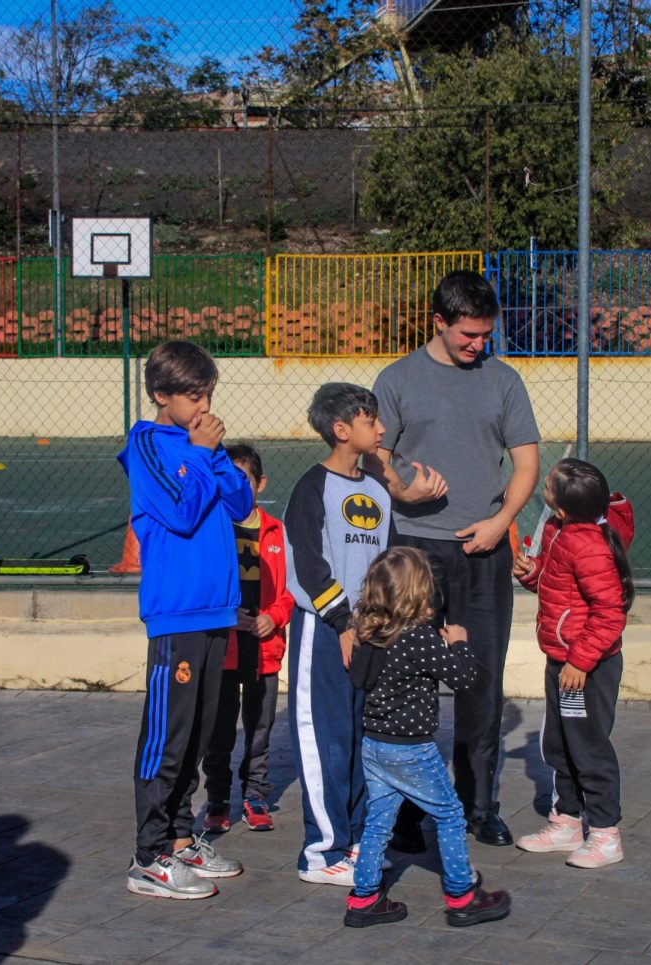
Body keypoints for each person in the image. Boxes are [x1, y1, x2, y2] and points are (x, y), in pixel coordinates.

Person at [370, 269, 540, 849]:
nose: (478, 345)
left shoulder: (505, 381)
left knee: (482, 682)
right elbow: (377, 458)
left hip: (483, 548)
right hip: (415, 553)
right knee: (407, 681)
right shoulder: (396, 380)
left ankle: (479, 805)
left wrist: (500, 523)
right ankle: (409, 812)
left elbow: (526, 464)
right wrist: (401, 491)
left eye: (485, 335)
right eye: (468, 335)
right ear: (438, 322)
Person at [118, 339, 253, 899]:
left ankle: (180, 837)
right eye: (193, 395)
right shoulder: (148, 442)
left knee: (199, 731)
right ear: (161, 394)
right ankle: (148, 855)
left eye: (208, 394)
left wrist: (214, 455)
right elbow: (178, 509)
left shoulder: (202, 445)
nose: (203, 405)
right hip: (176, 611)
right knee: (167, 736)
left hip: (215, 609)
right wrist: (198, 452)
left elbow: (240, 505)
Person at [344, 547, 512, 929]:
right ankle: (462, 895)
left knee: (378, 821)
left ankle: (364, 898)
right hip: (411, 749)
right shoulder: (418, 637)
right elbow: (465, 678)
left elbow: (357, 679)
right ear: (419, 593)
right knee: (451, 815)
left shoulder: (369, 634)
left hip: (374, 745)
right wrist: (459, 642)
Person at [284, 382, 393, 885]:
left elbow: (385, 565)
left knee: (359, 741)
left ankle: (352, 845)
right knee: (325, 741)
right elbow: (309, 567)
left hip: (368, 634)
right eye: (373, 422)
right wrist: (342, 623)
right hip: (324, 634)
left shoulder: (376, 491)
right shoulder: (312, 487)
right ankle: (321, 854)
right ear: (342, 429)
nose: (383, 429)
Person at [512, 458, 635, 868]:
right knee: (560, 743)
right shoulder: (560, 531)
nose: (542, 487)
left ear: (562, 507)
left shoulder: (589, 545)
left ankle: (604, 833)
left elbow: (610, 612)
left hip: (586, 668)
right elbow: (558, 584)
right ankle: (566, 820)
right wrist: (532, 574)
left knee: (589, 746)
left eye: (547, 486)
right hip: (563, 659)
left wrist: (581, 661)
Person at [197, 443, 295, 835]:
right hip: (224, 648)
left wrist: (274, 616)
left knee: (259, 728)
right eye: (230, 479)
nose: (238, 487)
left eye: (245, 480)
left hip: (264, 650)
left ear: (260, 483)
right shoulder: (213, 528)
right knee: (219, 731)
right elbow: (204, 585)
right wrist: (227, 614)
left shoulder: (277, 531)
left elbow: (291, 590)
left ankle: (256, 796)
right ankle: (218, 799)